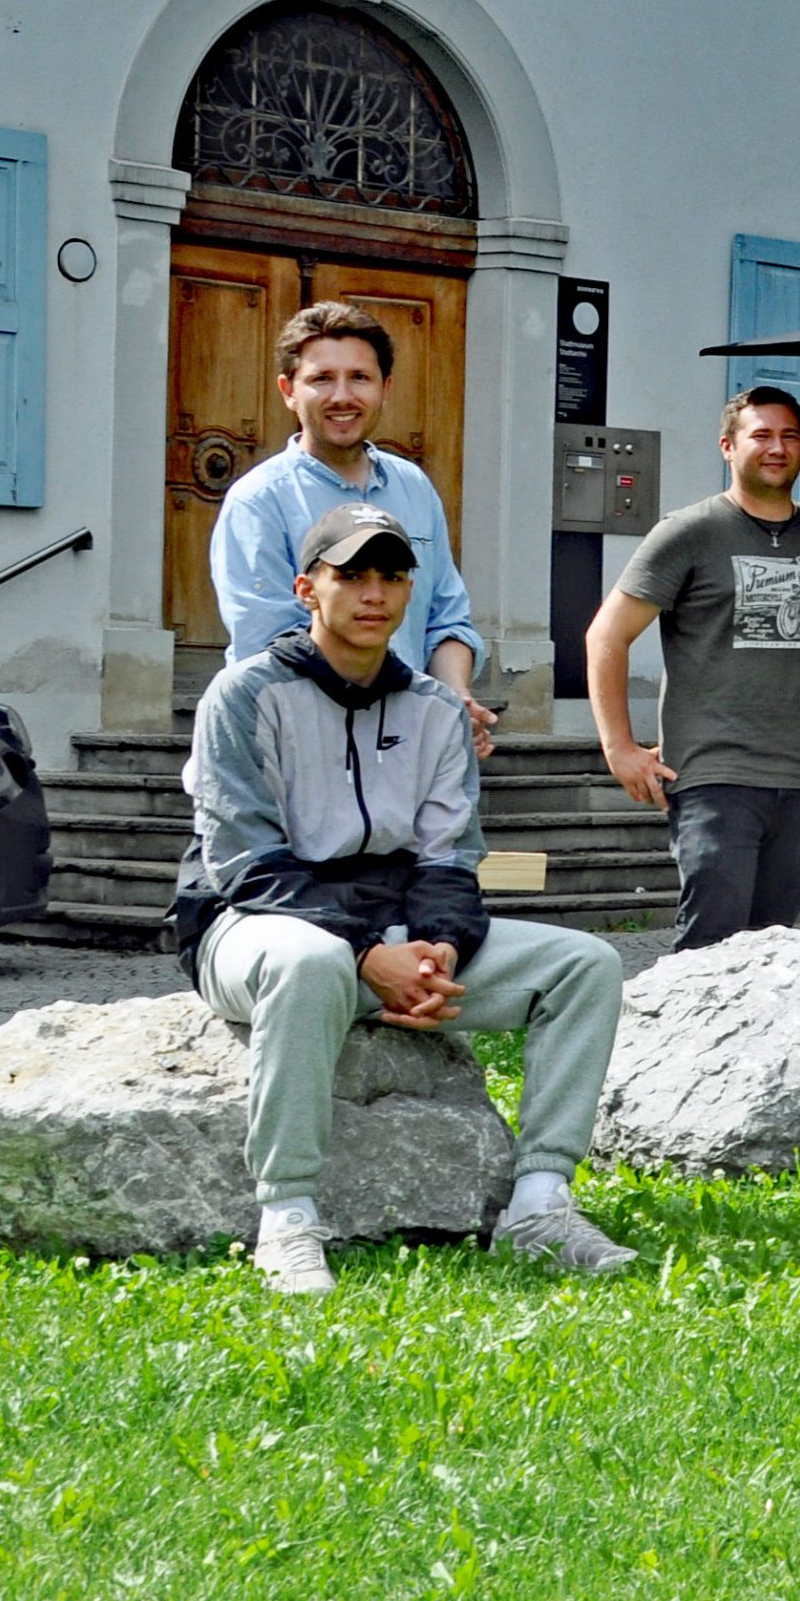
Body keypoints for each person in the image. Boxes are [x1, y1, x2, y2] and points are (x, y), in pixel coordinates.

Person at [177, 502, 634, 1296]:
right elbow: (245, 862)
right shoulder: (243, 695)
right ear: (305, 588)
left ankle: (537, 1206)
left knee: (584, 964)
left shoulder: (432, 708)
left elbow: (451, 858)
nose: (373, 592)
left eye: (391, 575)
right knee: (314, 961)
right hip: (253, 926)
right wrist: (368, 955)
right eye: (350, 573)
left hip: (392, 933)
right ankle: (286, 1218)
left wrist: (439, 947)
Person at [587, 387, 800, 949]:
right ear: (728, 447)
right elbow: (607, 635)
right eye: (761, 435)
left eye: (790, 436)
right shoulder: (689, 533)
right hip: (714, 780)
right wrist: (619, 746)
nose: (777, 448)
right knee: (709, 951)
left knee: (772, 953)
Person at [211, 302, 493, 756]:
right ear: (288, 390)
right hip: (300, 744)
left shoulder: (414, 486)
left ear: (385, 388)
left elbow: (446, 619)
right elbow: (269, 645)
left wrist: (453, 698)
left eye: (359, 377)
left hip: (410, 743)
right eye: (322, 379)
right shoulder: (259, 499)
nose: (342, 396)